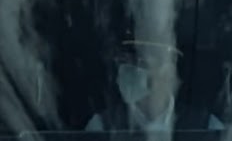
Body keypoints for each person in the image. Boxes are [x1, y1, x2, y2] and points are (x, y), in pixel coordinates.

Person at [84, 40, 223, 134]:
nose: (130, 68)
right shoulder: (101, 127)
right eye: (125, 60)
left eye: (142, 62)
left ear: (169, 72)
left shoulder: (207, 128)